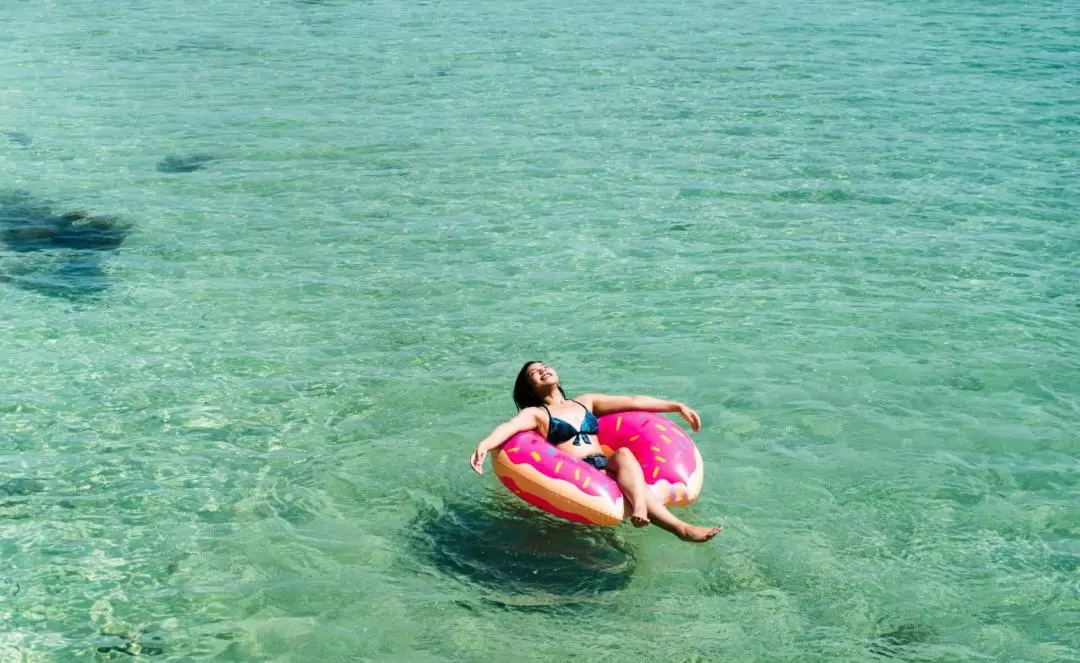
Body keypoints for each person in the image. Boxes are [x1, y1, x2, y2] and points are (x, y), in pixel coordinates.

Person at [469, 361, 723, 543]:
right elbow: (510, 427)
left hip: (605, 464)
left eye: (545, 366)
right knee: (626, 471)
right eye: (534, 373)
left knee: (623, 454)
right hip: (579, 472)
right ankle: (678, 528)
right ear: (531, 389)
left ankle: (662, 520)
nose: (542, 370)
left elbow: (633, 401)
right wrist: (485, 444)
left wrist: (675, 406)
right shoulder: (537, 414)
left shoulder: (585, 401)